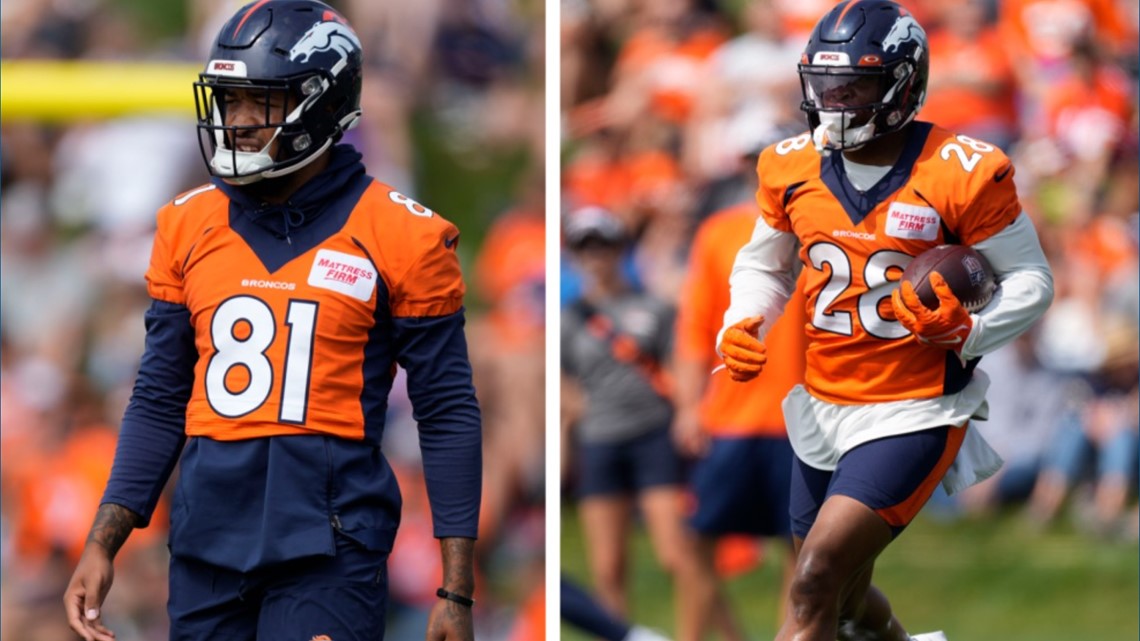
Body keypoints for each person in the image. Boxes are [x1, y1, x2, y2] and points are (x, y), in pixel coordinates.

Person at [62, 2, 482, 640]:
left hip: (330, 546)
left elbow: (447, 410)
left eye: (258, 103)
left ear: (321, 102)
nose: (236, 122)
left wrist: (456, 586)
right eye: (228, 102)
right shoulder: (186, 224)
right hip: (207, 540)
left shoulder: (404, 235)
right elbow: (158, 396)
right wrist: (104, 539)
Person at [715, 2, 1055, 640]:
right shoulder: (788, 164)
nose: (837, 103)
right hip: (822, 403)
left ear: (904, 83)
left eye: (856, 87)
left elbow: (1033, 280)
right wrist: (743, 319)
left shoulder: (963, 170)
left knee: (813, 580)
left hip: (915, 406)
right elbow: (764, 266)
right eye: (825, 86)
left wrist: (970, 332)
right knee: (839, 597)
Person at [560, 207, 708, 640]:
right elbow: (565, 384)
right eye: (584, 247)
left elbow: (677, 365)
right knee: (608, 566)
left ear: (619, 249)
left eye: (602, 245)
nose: (594, 256)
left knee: (676, 554)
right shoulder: (569, 318)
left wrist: (689, 414)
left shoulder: (653, 306)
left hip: (652, 435)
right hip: (599, 441)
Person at [672, 194, 807, 641]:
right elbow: (696, 327)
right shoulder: (719, 231)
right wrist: (690, 407)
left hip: (798, 417)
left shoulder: (820, 223)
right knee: (696, 544)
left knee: (800, 551)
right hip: (728, 417)